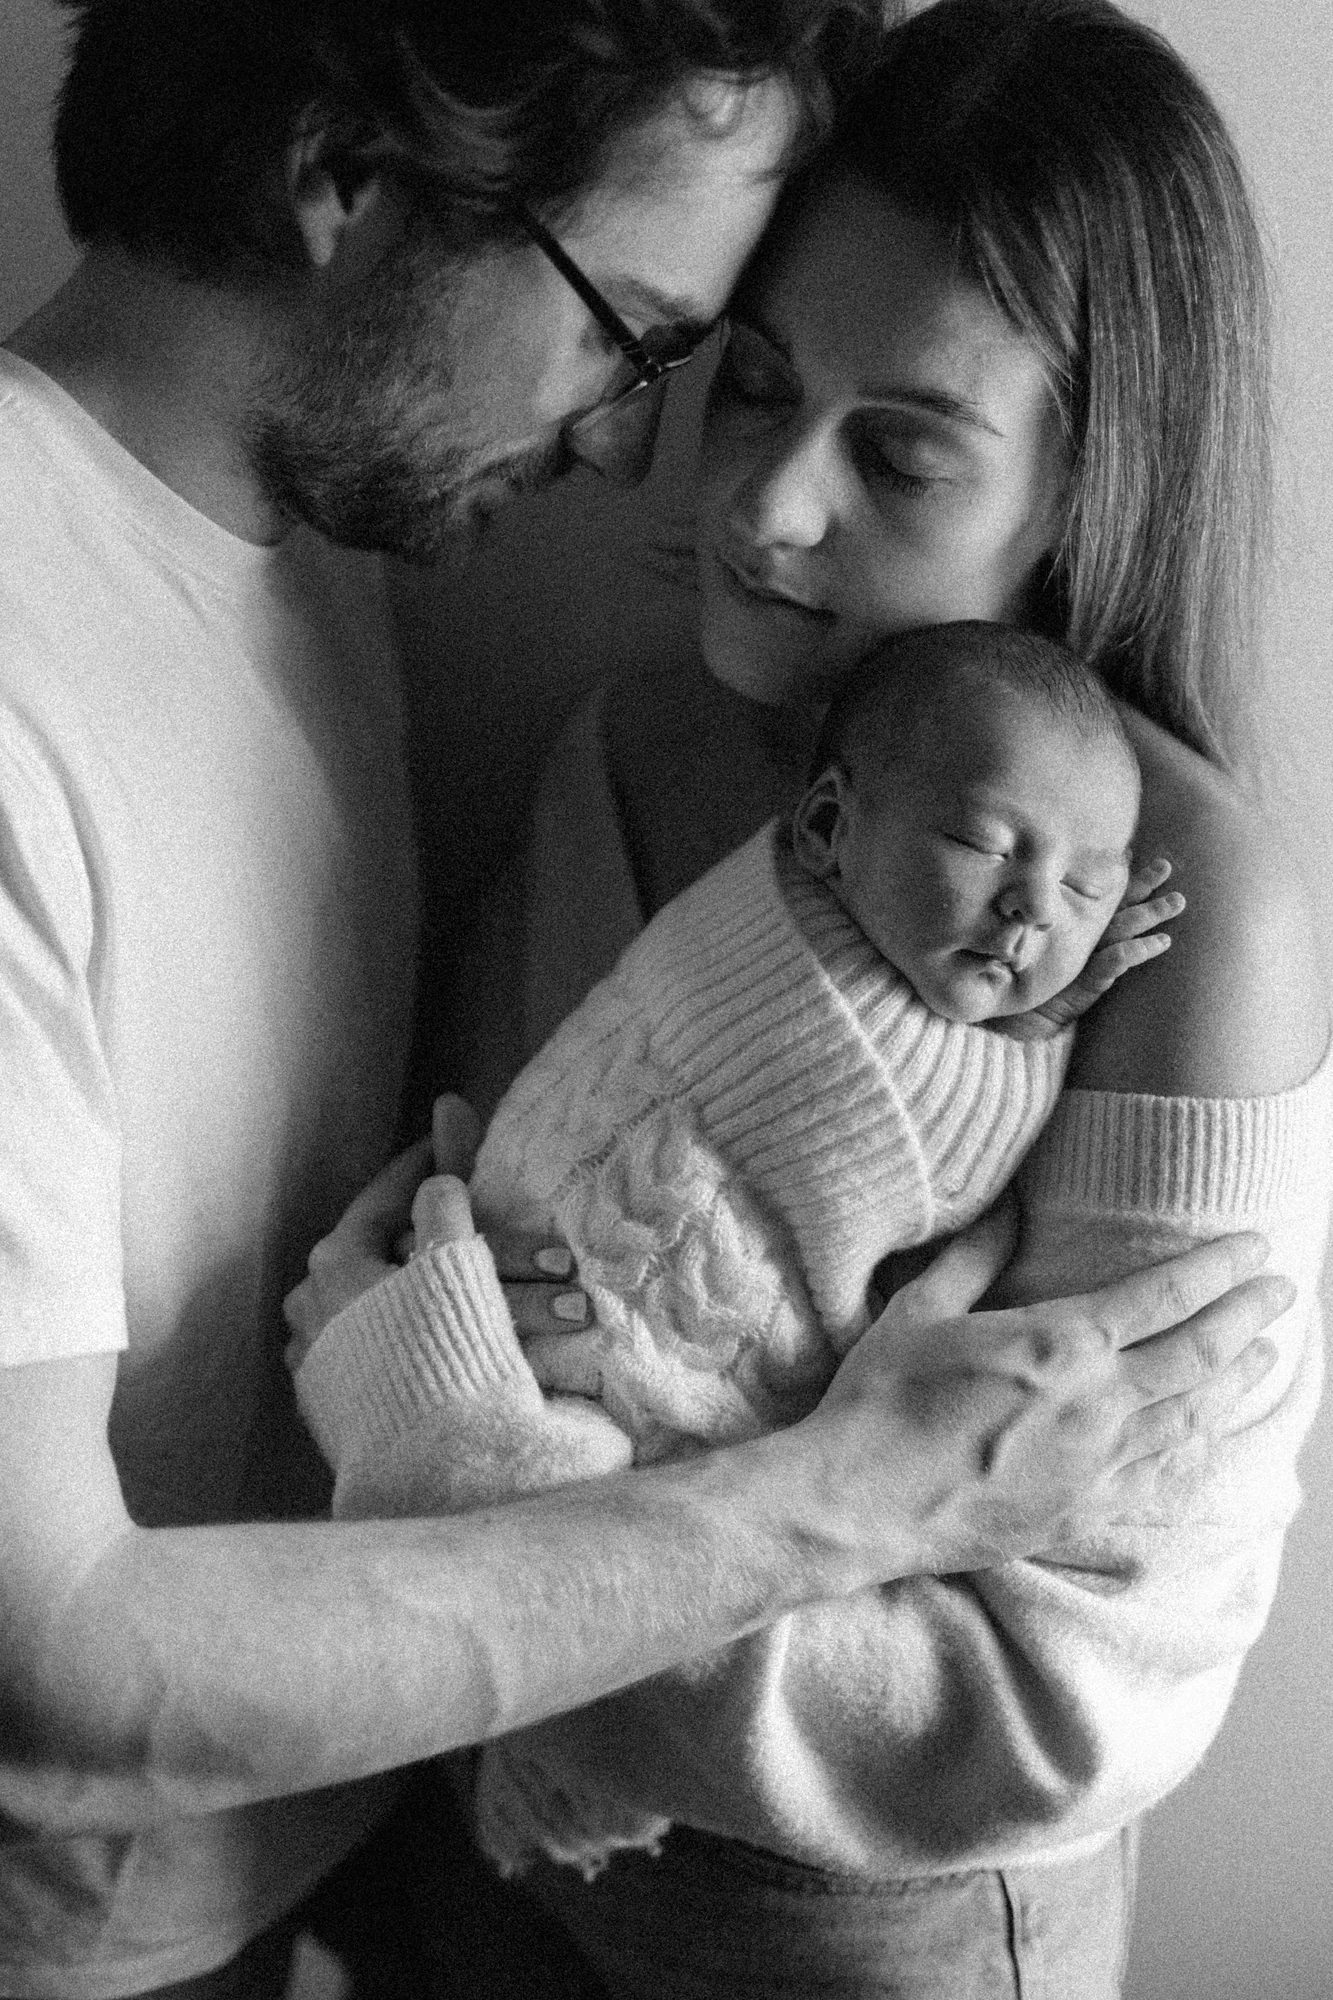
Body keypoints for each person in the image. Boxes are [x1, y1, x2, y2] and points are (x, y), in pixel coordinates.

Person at [1, 2, 1283, 1996]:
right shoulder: (591, 743)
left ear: (1079, 480)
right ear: (345, 183)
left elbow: (1069, 1681)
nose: (673, 470)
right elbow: (102, 1630)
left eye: (901, 447)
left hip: (715, 1893)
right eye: (695, 360)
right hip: (367, 1853)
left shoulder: (321, 543)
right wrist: (813, 1502)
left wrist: (459, 1426)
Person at [297, 620, 1188, 1882]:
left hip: (504, 1380)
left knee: (555, 1626)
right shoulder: (759, 929)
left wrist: (1018, 1002)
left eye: (1087, 886)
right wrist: (1037, 1032)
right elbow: (935, 1161)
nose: (1032, 910)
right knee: (569, 1558)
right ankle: (547, 1759)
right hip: (556, 1354)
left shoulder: (806, 875)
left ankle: (547, 1754)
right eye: (983, 845)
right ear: (823, 832)